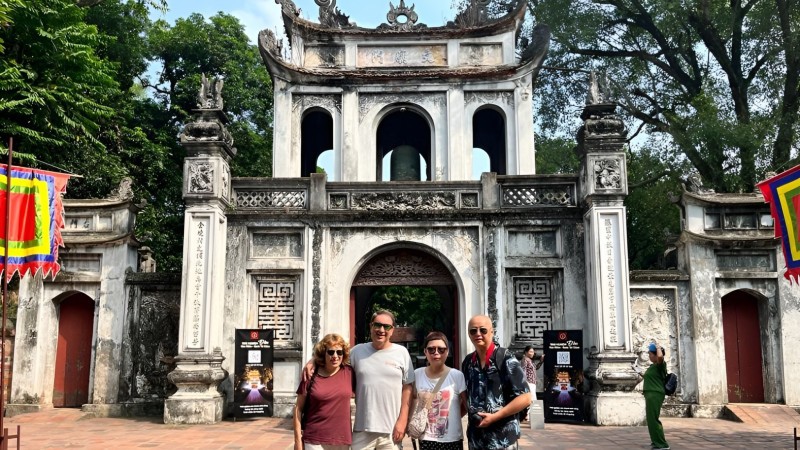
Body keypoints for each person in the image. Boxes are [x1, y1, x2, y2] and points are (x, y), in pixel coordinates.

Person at [306, 310, 414, 450]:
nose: (381, 330)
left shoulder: (402, 353)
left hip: (391, 430)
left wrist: (402, 420)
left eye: (386, 326)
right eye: (377, 325)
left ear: (392, 330)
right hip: (362, 428)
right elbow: (334, 356)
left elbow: (408, 388)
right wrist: (312, 361)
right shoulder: (357, 352)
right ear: (371, 326)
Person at [461, 315, 531, 450]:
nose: (478, 334)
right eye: (473, 331)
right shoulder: (468, 362)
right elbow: (466, 400)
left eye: (483, 330)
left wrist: (495, 417)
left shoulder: (505, 358)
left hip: (502, 439)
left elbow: (526, 397)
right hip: (476, 439)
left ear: (492, 332)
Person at [293, 333, 355, 450]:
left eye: (339, 352)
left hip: (341, 440)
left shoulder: (349, 373)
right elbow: (298, 409)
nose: (335, 356)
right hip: (314, 439)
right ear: (323, 353)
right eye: (331, 352)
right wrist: (297, 441)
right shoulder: (310, 375)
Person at [412, 331, 467, 450]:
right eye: (431, 349)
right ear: (425, 352)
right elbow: (410, 402)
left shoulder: (457, 376)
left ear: (447, 352)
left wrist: (452, 417)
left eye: (441, 349)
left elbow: (466, 406)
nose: (436, 353)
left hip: (452, 439)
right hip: (426, 438)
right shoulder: (417, 375)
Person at [644, 342, 670, 450]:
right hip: (650, 393)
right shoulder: (652, 366)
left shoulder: (660, 364)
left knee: (654, 419)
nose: (649, 356)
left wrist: (658, 347)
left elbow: (660, 357)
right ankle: (656, 441)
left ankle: (662, 444)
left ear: (655, 354)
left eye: (650, 353)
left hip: (655, 394)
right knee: (651, 419)